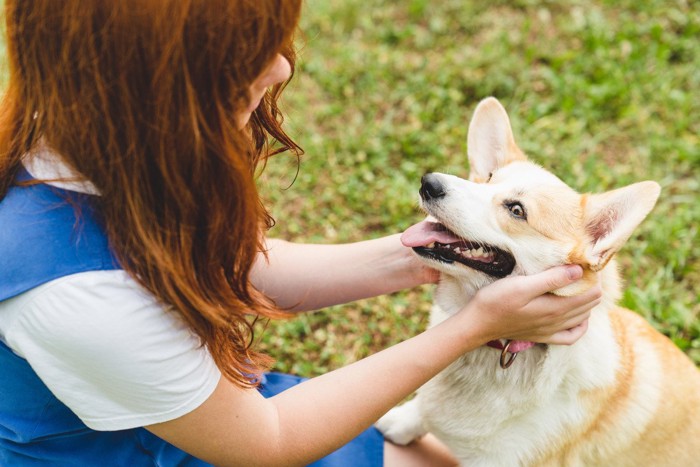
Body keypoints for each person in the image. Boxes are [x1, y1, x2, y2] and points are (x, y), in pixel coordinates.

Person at [0, 1, 601, 466]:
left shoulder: (91, 146)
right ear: (150, 96)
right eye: (242, 56)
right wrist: (477, 327)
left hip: (191, 411)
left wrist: (428, 256)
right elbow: (271, 442)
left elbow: (243, 268)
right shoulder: (78, 298)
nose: (281, 65)